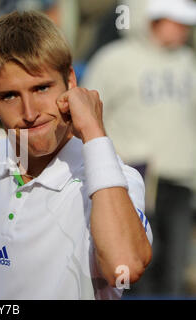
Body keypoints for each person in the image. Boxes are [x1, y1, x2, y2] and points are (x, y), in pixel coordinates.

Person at [0, 11, 153, 300]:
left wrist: (94, 132)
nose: (30, 113)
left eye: (41, 88)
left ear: (71, 82)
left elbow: (126, 267)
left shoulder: (116, 178)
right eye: (9, 96)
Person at [82, 0, 196, 297]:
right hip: (134, 180)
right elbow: (89, 116)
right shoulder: (114, 60)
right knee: (135, 271)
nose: (182, 28)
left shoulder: (188, 61)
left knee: (173, 270)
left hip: (180, 180)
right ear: (151, 20)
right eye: (174, 20)